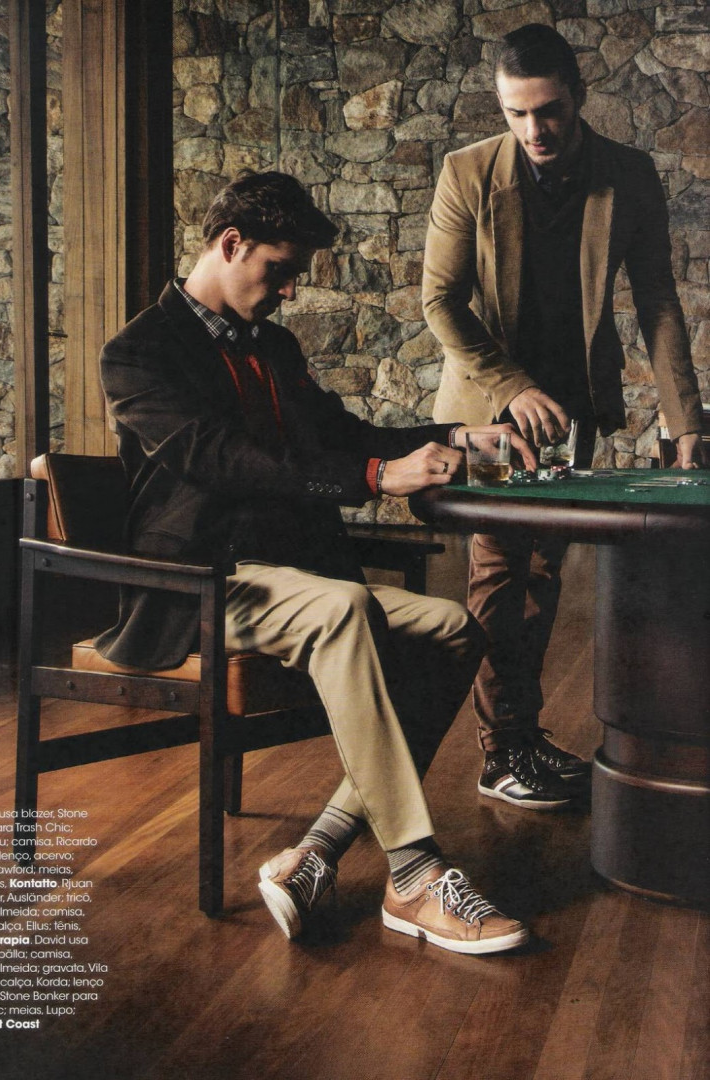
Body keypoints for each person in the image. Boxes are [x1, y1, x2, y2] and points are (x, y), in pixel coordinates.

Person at [95, 170, 537, 954]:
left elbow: (342, 433)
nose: (290, 291)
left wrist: (454, 436)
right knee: (345, 606)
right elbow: (220, 459)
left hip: (294, 578)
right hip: (201, 583)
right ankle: (414, 875)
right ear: (230, 244)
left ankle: (317, 852)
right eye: (280, 270)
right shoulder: (137, 352)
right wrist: (373, 478)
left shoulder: (273, 345)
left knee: (452, 626)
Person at [423, 24, 705, 810]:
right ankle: (498, 754)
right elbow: (439, 303)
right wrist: (512, 387)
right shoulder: (465, 173)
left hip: (573, 405)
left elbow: (657, 302)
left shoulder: (628, 174)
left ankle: (520, 732)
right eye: (515, 113)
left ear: (577, 98)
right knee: (497, 569)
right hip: (491, 408)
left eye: (547, 110)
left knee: (543, 574)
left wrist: (684, 420)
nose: (533, 129)